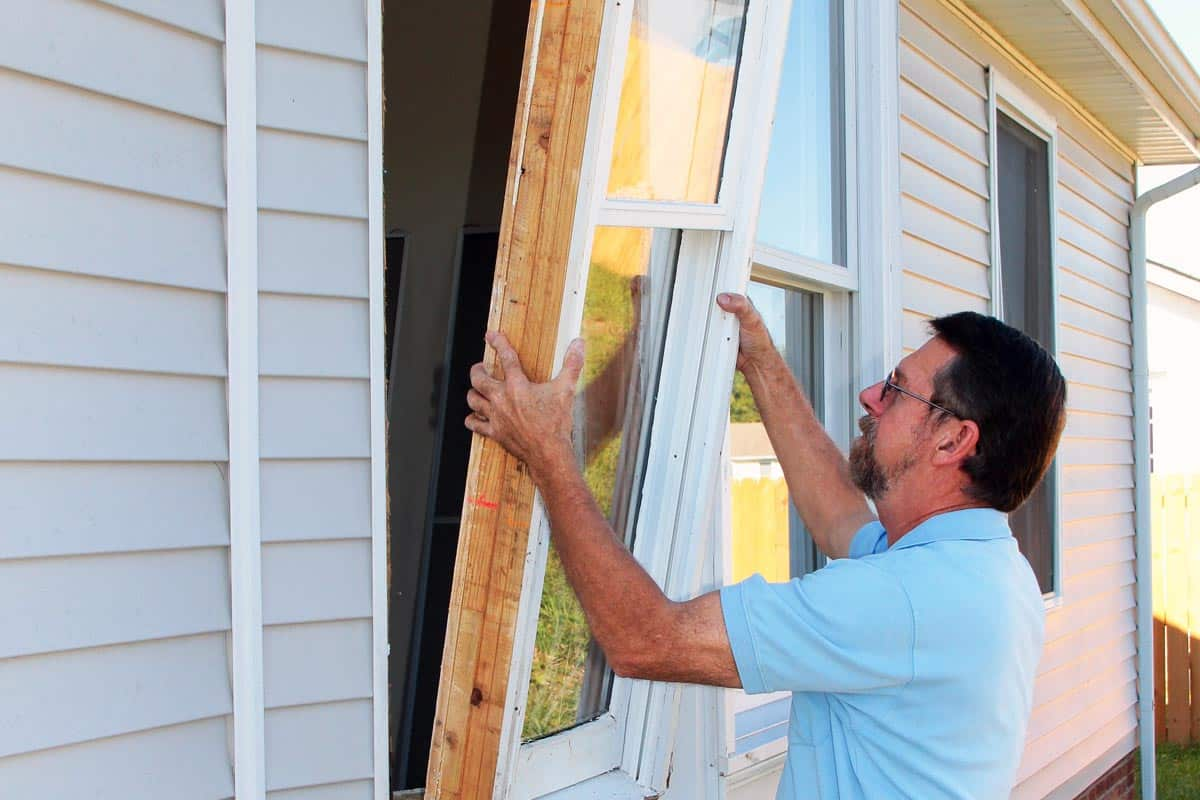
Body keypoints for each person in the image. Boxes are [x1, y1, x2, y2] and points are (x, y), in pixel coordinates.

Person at [464, 292, 1066, 799]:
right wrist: (762, 363)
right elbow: (839, 519)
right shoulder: (982, 569)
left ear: (952, 441)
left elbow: (643, 640)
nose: (870, 397)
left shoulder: (899, 599)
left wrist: (549, 451)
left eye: (896, 389)